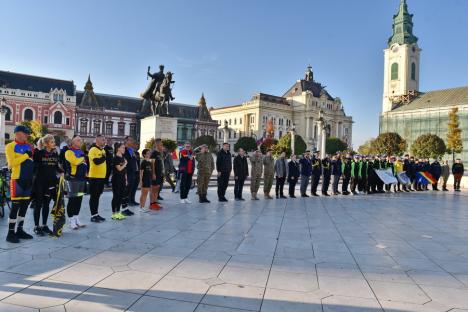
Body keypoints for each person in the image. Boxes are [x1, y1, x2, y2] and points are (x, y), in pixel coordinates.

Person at [5, 125, 34, 243]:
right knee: (15, 207)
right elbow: (11, 163)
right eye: (25, 133)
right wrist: (26, 155)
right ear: (18, 133)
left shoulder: (29, 146)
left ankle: (20, 230)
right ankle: (10, 233)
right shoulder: (10, 146)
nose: (27, 135)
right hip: (17, 180)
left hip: (28, 180)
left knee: (24, 207)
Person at [32, 134, 62, 236]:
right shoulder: (39, 153)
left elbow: (56, 167)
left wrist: (62, 172)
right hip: (40, 182)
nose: (54, 143)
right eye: (52, 142)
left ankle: (44, 225)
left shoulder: (54, 154)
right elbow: (35, 166)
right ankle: (36, 226)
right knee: (38, 204)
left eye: (54, 141)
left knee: (46, 204)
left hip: (51, 183)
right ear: (46, 143)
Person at [64, 136, 87, 230]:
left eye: (81, 140)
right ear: (72, 143)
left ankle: (76, 218)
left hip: (81, 179)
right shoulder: (69, 152)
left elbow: (84, 164)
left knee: (79, 199)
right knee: (72, 200)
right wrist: (83, 158)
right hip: (72, 179)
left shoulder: (81, 152)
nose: (80, 141)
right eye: (78, 140)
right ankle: (71, 221)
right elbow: (75, 162)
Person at [88, 135, 107, 222]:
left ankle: (96, 214)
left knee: (97, 196)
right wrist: (103, 157)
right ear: (97, 140)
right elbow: (96, 162)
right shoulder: (93, 149)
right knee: (93, 197)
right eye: (103, 140)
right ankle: (93, 216)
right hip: (94, 177)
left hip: (101, 177)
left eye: (104, 140)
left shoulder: (102, 150)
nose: (104, 141)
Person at [111, 142, 128, 220]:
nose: (124, 149)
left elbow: (124, 170)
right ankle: (114, 213)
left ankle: (118, 212)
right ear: (118, 148)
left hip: (122, 179)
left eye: (124, 148)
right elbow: (119, 168)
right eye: (123, 148)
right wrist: (125, 163)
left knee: (121, 196)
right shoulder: (116, 158)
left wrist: (126, 179)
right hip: (116, 179)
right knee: (116, 196)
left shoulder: (122, 157)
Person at [124, 137, 139, 207]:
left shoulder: (132, 150)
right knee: (128, 188)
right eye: (131, 140)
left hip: (134, 171)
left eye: (132, 140)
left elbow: (134, 160)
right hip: (128, 172)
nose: (132, 141)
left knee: (133, 187)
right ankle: (127, 202)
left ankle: (132, 200)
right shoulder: (124, 150)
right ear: (126, 141)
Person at [150, 139, 165, 209]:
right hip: (155, 174)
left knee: (157, 189)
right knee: (153, 189)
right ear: (157, 145)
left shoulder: (159, 153)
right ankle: (152, 204)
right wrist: (153, 174)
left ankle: (155, 202)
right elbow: (152, 164)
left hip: (159, 174)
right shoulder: (153, 153)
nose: (162, 146)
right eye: (161, 145)